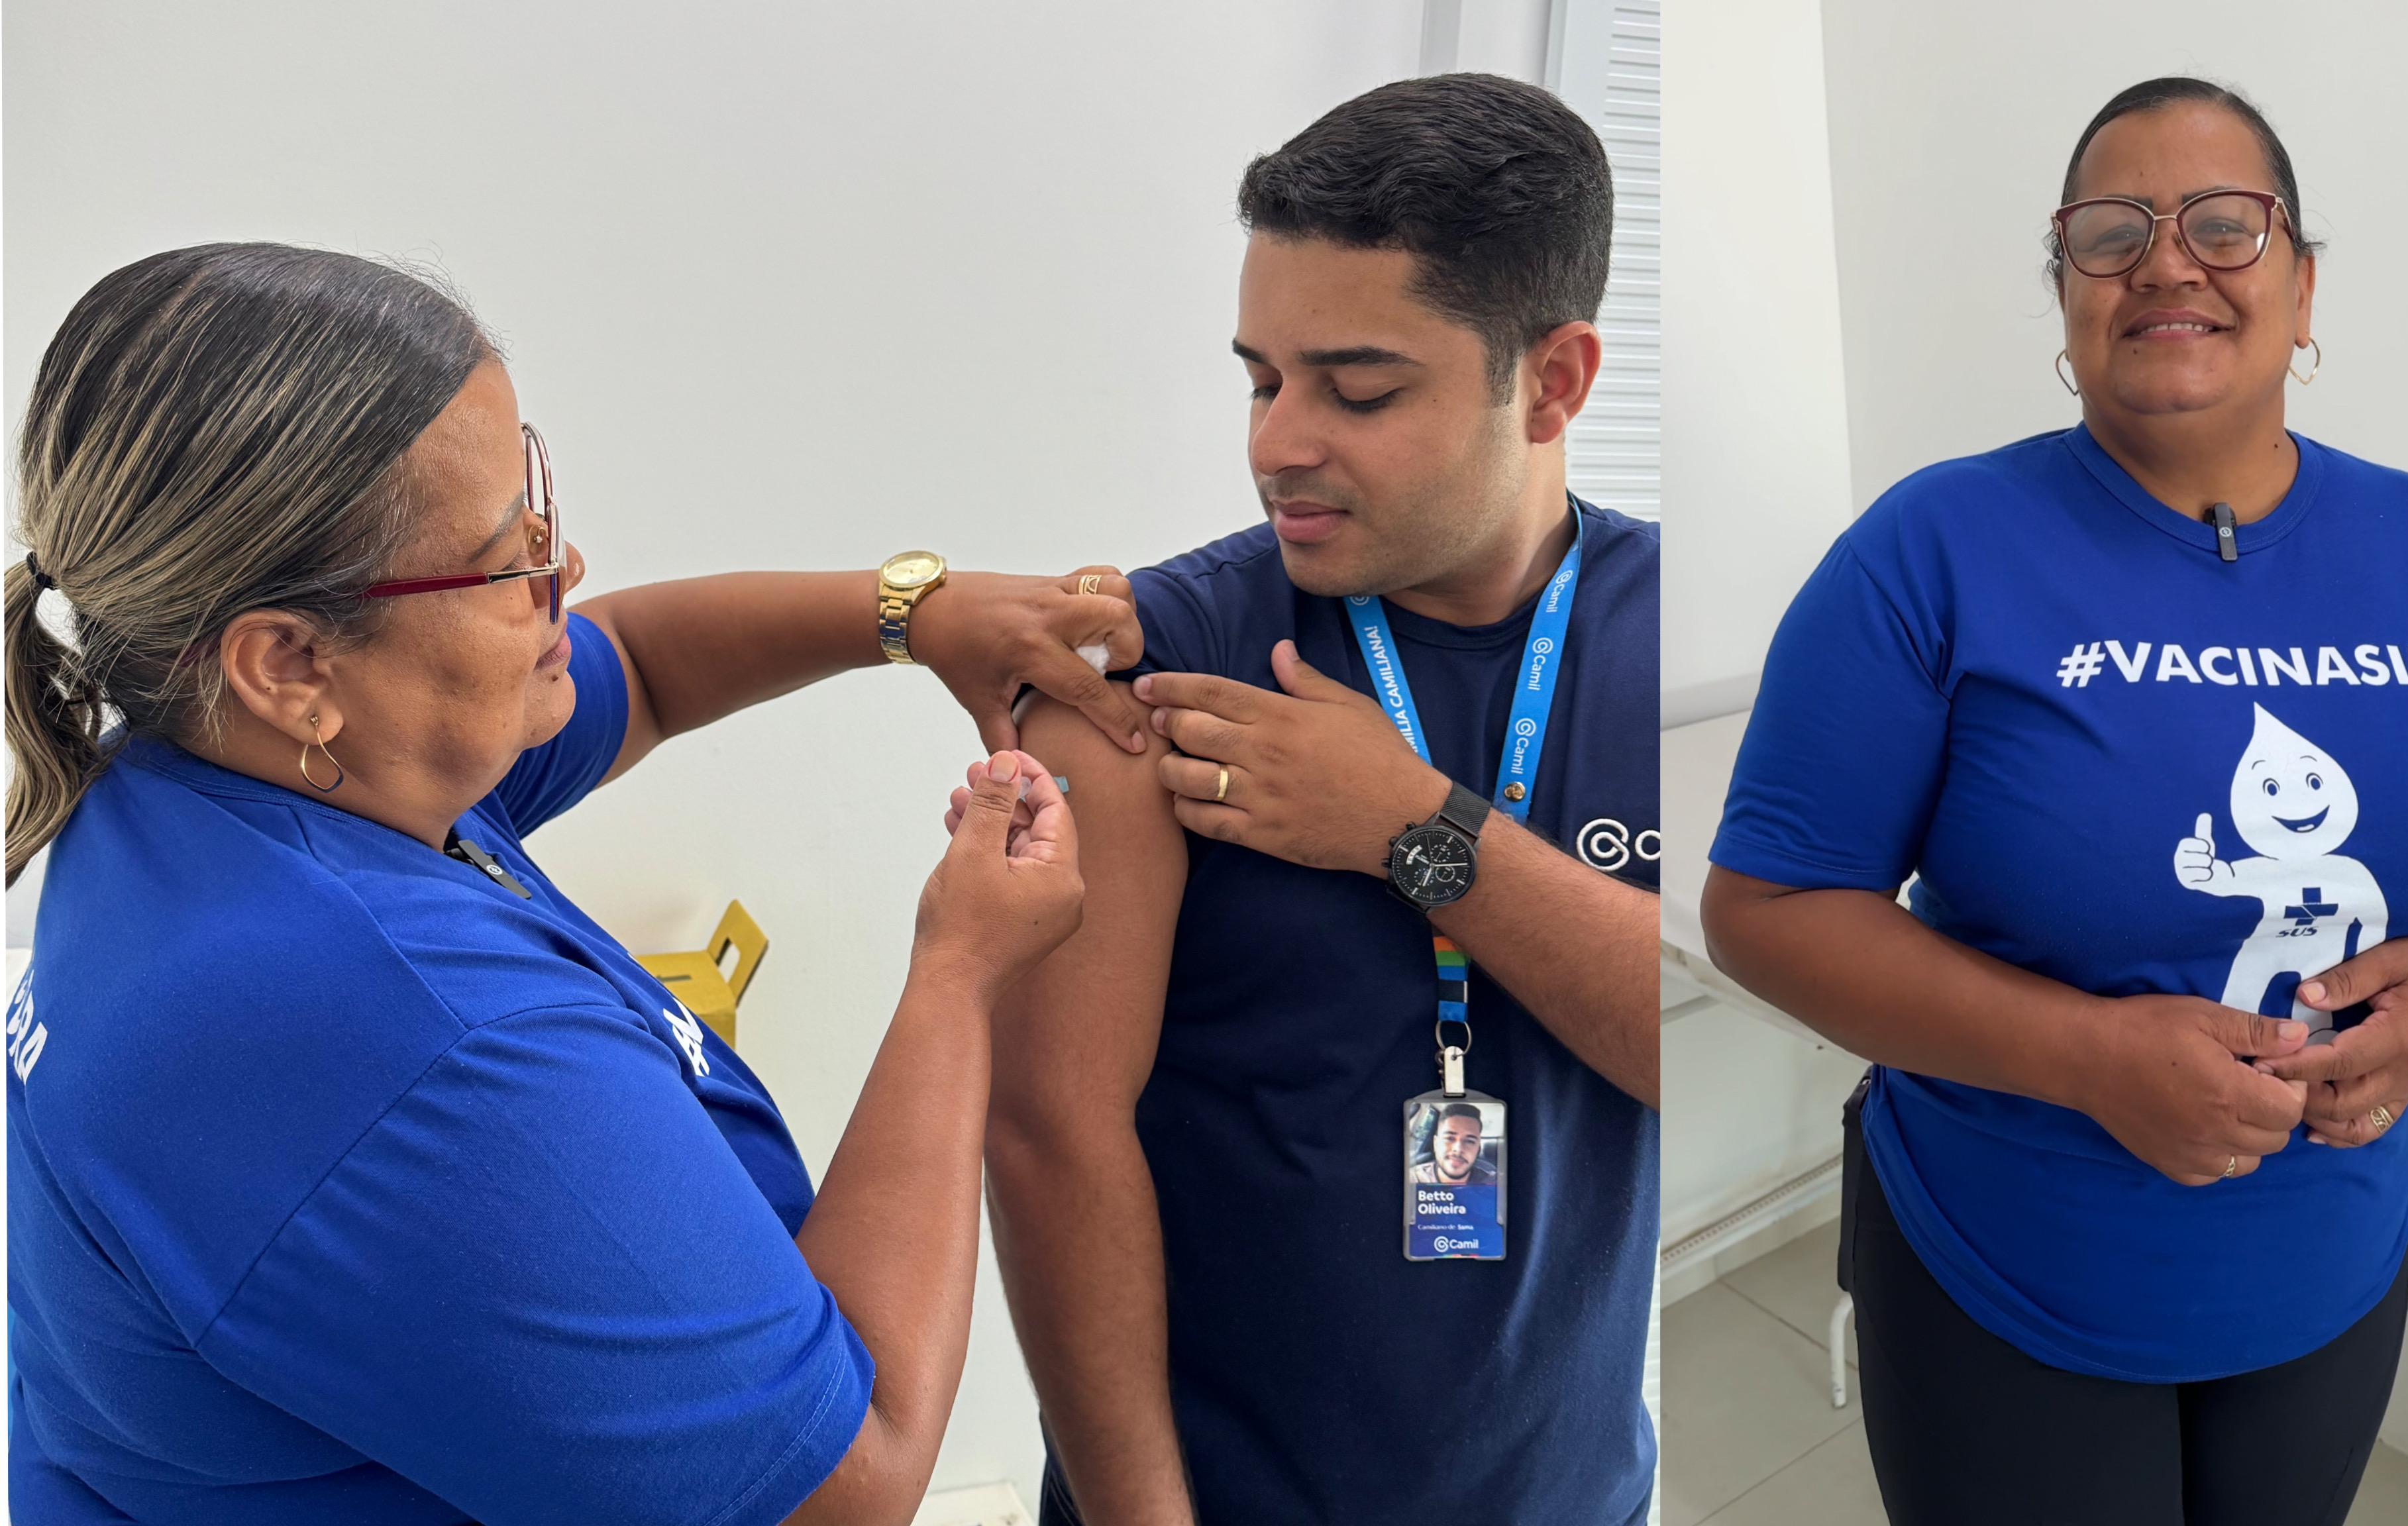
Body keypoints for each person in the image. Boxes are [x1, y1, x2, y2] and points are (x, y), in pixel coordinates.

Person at [3, 243, 1127, 1523]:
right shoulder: (421, 1048)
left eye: (538, 505)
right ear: (291, 662)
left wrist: (907, 611)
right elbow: (843, 1485)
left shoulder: (223, 769)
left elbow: (637, 665)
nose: (567, 566)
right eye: (509, 557)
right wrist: (960, 971)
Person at [1701, 79, 2408, 1526]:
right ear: (2064, 291)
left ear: (2302, 288)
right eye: (2110, 232)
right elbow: (1765, 908)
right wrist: (2086, 1057)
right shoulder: (1928, 549)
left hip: (2328, 1274)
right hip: (2006, 1277)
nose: (2166, 262)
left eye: (2223, 226)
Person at [980, 74, 1659, 1526]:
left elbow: (1684, 1033)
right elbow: (1047, 1132)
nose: (1277, 443)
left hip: (1572, 1487)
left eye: (1357, 390)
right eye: (1260, 378)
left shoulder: (1679, 632)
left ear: (1552, 381)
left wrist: (1414, 827)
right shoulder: (1149, 667)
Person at [1412, 1103, 1496, 1186]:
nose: (1458, 1149)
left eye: (1469, 1141)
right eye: (1450, 1138)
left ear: (1478, 1148)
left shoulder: (1494, 1184)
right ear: (1436, 1143)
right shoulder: (1412, 1179)